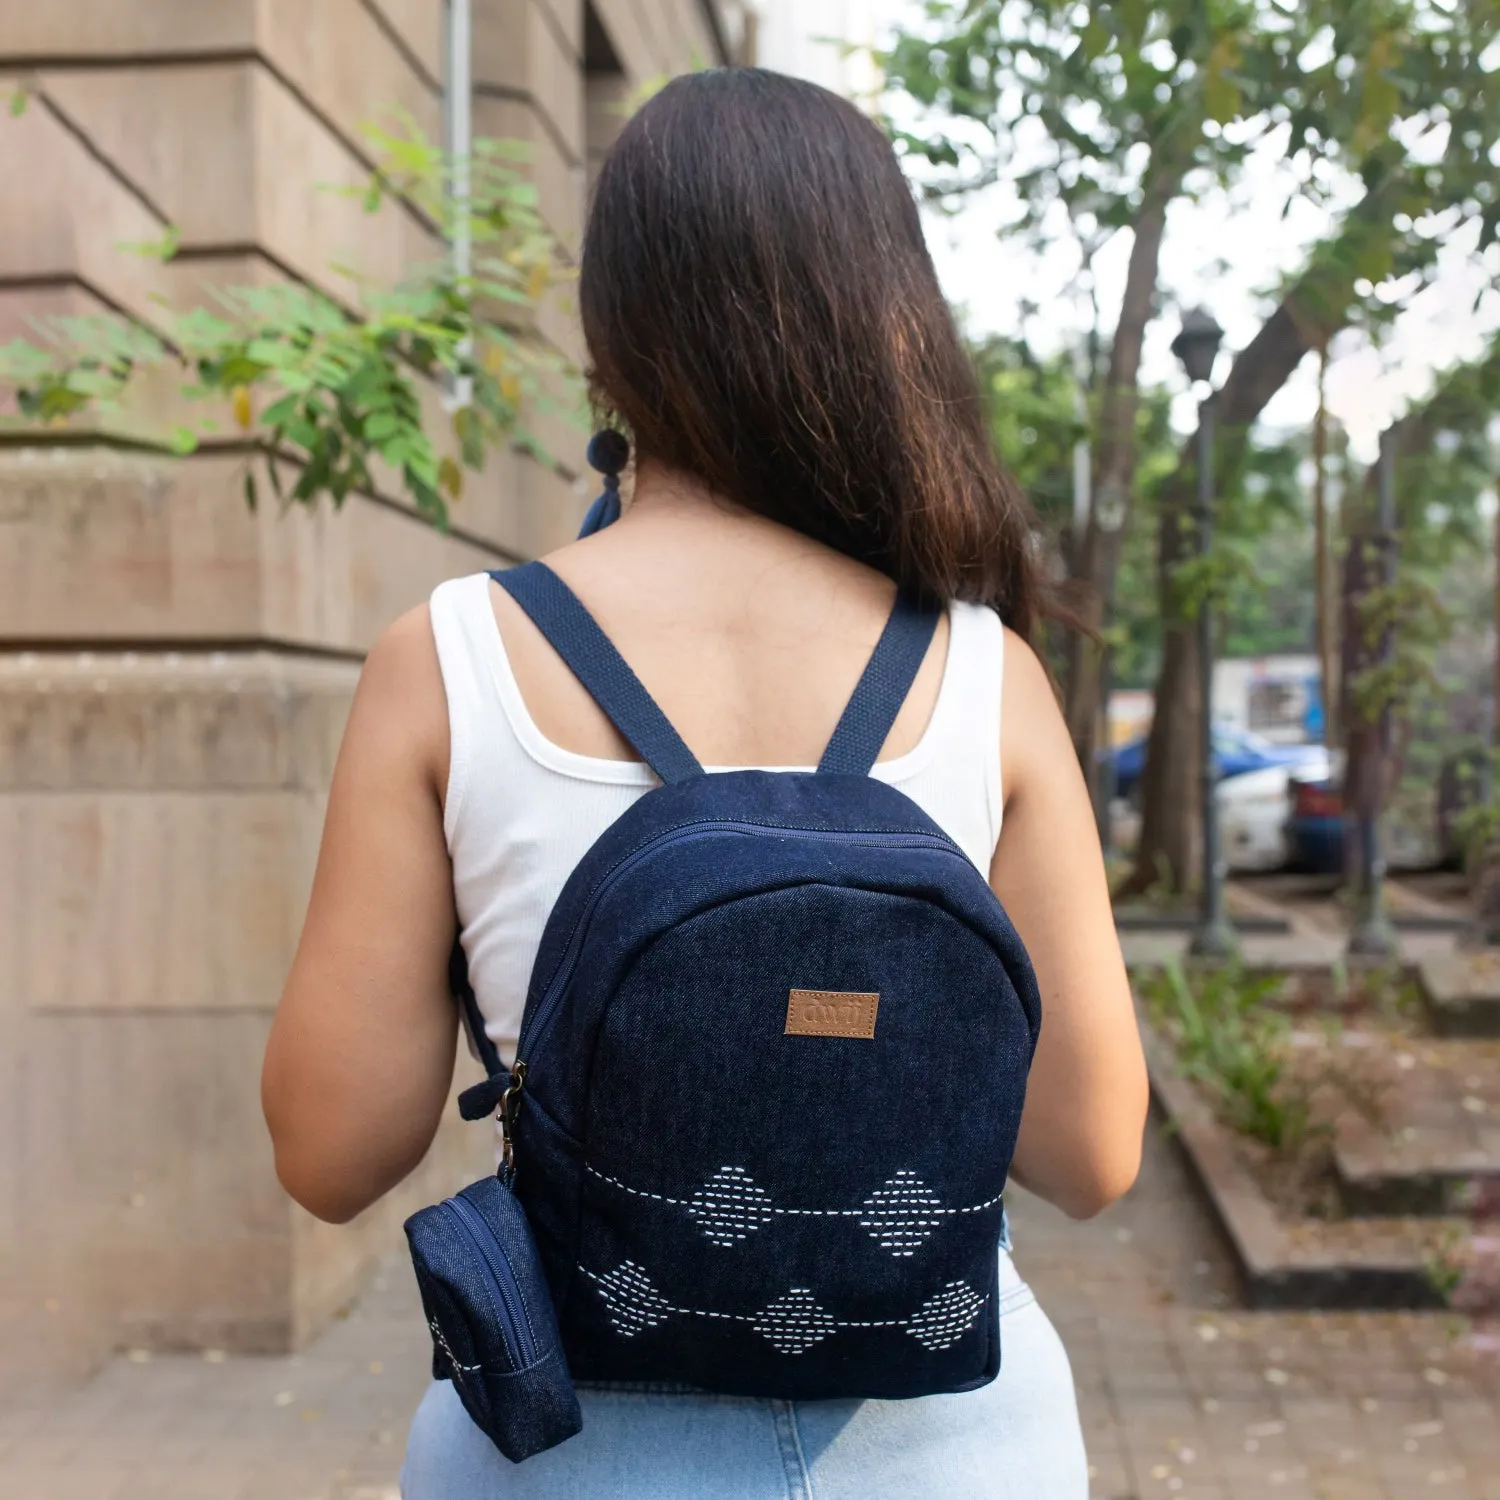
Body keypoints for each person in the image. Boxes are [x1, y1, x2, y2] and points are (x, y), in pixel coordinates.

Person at [263, 66, 1147, 1499]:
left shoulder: (454, 658)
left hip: (565, 1437)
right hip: (947, 1442)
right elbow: (1093, 1153)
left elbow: (333, 1149)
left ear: (611, 336)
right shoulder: (986, 673)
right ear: (890, 317)